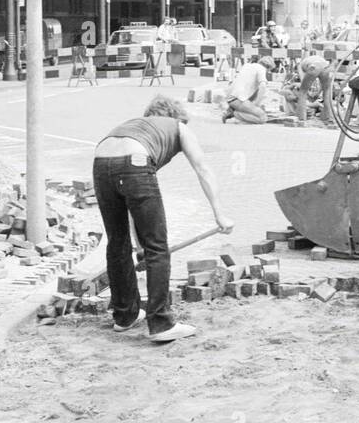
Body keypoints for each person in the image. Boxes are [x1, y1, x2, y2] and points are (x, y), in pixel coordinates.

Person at [93, 96, 233, 342]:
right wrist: (219, 214)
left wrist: (138, 245)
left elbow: (131, 206)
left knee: (117, 243)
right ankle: (161, 323)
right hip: (135, 164)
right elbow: (202, 168)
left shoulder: (135, 126)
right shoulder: (178, 126)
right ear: (176, 116)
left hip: (101, 163)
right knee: (157, 247)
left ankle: (125, 316)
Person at [223, 55, 275, 124]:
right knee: (262, 118)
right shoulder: (261, 69)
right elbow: (263, 86)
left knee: (256, 91)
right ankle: (234, 114)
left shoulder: (247, 66)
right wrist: (257, 104)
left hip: (231, 97)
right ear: (268, 67)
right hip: (238, 99)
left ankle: (233, 109)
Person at [294, 53, 334, 124]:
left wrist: (307, 91)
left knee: (302, 92)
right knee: (327, 92)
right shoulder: (312, 59)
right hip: (325, 66)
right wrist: (318, 92)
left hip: (314, 66)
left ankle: (301, 118)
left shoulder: (301, 65)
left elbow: (303, 82)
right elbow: (321, 85)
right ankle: (329, 118)